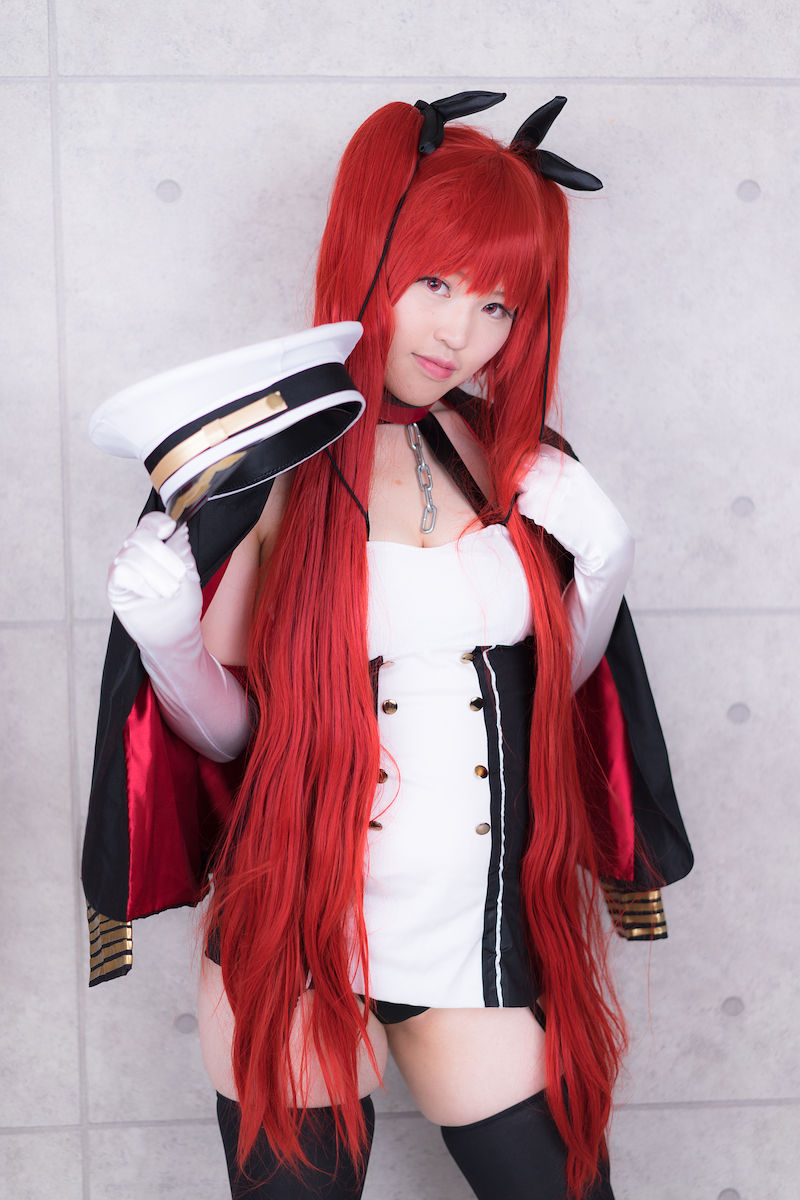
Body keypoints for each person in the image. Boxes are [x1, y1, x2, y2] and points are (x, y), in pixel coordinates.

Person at [92, 93, 693, 1199]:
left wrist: (601, 568)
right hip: (300, 934)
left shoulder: (512, 457)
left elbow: (550, 703)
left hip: (469, 932)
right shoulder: (274, 464)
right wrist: (170, 638)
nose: (460, 334)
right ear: (367, 255)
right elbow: (230, 736)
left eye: (497, 304)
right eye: (435, 283)